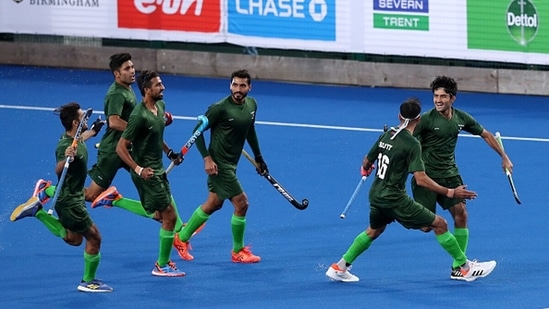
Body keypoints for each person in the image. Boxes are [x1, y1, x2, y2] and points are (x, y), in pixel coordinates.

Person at [30, 53, 192, 250]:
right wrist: (139, 128)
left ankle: (174, 225)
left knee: (156, 180)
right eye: (127, 68)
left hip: (130, 148)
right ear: (117, 74)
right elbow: (114, 122)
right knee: (90, 196)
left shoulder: (129, 90)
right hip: (113, 152)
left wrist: (161, 138)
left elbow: (146, 128)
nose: (132, 71)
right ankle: (46, 189)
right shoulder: (115, 94)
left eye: (132, 67)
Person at [325, 98, 497, 283]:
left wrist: (365, 169)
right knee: (440, 224)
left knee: (374, 230)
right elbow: (421, 179)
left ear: (399, 116)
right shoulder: (412, 144)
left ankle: (340, 267)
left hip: (376, 195)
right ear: (419, 119)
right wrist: (450, 193)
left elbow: (367, 161)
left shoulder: (386, 135)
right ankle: (465, 268)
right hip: (394, 199)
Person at [411, 76, 513, 280]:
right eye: (435, 96)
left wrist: (504, 156)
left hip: (450, 174)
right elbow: (406, 140)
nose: (438, 100)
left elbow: (486, 134)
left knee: (462, 215)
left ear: (452, 98)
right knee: (425, 226)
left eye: (442, 96)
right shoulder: (426, 120)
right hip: (427, 178)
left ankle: (460, 267)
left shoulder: (461, 118)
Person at [10, 102, 113, 292]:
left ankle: (37, 211)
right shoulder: (66, 146)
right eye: (83, 117)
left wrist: (93, 132)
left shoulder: (74, 138)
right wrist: (66, 158)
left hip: (71, 198)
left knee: (74, 239)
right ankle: (88, 282)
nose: (86, 119)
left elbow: (80, 139)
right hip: (70, 202)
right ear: (75, 122)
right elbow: (58, 169)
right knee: (94, 238)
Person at [171, 69, 268, 263]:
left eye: (242, 85)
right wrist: (206, 158)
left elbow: (250, 130)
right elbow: (196, 132)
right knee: (242, 204)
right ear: (230, 85)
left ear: (250, 87)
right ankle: (238, 251)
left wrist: (259, 157)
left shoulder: (252, 105)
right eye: (234, 84)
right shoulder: (219, 108)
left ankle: (181, 238)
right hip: (219, 164)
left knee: (214, 203)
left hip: (232, 163)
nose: (238, 89)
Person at [95, 70, 186, 276]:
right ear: (146, 90)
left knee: (160, 215)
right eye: (158, 85)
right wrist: (138, 169)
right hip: (146, 173)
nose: (162, 88)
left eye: (162, 84)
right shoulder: (138, 116)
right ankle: (161, 266)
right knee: (169, 216)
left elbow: (155, 136)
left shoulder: (160, 107)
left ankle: (115, 199)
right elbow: (121, 147)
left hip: (159, 169)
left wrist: (170, 152)